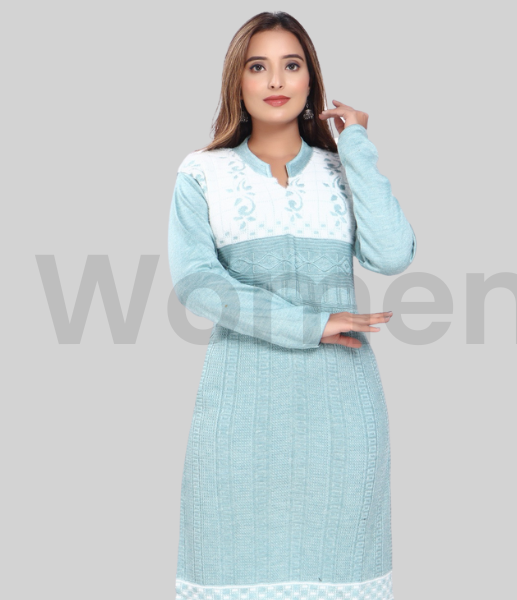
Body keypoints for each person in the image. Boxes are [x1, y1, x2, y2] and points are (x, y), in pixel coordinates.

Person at [168, 11, 417, 600]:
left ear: (311, 80)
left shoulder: (340, 170)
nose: (276, 79)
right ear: (238, 81)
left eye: (291, 64)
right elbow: (198, 284)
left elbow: (391, 254)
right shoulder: (203, 174)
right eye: (258, 66)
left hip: (342, 422)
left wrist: (356, 145)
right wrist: (311, 324)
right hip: (240, 422)